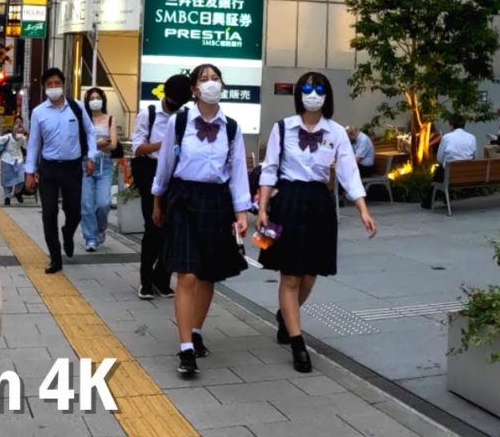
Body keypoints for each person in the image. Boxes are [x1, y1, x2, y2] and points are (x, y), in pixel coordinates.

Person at [256, 72, 377, 373]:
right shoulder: (283, 128)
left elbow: (349, 170)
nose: (313, 93)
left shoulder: (335, 132)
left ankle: (285, 317)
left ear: (327, 94)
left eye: (318, 88)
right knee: (290, 276)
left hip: (319, 204)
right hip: (289, 201)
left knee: (310, 275)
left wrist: (363, 208)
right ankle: (298, 344)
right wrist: (261, 207)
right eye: (307, 89)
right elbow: (270, 168)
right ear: (299, 93)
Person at [151, 64, 250, 377]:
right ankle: (185, 349)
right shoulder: (180, 122)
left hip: (217, 201)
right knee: (188, 275)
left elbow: (237, 172)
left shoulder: (232, 128)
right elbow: (165, 163)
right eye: (204, 80)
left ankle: (195, 330)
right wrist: (157, 199)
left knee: (208, 275)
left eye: (215, 79)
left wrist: (241, 213)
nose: (210, 84)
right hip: (183, 199)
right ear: (194, 89)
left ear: (222, 85)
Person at [24, 68, 97, 274]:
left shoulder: (77, 107)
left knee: (74, 211)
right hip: (49, 170)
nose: (54, 87)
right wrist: (30, 172)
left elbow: (90, 132)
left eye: (57, 83)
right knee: (49, 213)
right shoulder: (38, 112)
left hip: (73, 169)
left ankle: (68, 232)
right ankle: (55, 258)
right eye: (49, 84)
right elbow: (33, 144)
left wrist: (91, 156)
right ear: (44, 88)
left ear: (63, 84)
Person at [131, 74, 192, 299]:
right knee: (153, 226)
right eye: (172, 101)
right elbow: (138, 148)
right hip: (150, 170)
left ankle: (162, 278)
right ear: (165, 95)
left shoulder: (185, 117)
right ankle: (146, 281)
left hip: (176, 174)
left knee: (173, 228)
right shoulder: (148, 114)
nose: (174, 106)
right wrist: (165, 144)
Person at [81, 87, 118, 252]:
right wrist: (99, 143)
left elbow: (113, 145)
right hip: (85, 165)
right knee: (87, 204)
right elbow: (81, 144)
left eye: (98, 97)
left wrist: (100, 144)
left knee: (104, 203)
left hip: (105, 165)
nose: (95, 100)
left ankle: (100, 229)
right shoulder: (84, 119)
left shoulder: (110, 119)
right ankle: (90, 237)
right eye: (92, 98)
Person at [421, 115, 477, 209]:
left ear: (451, 125)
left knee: (438, 174)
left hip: (450, 174)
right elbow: (475, 157)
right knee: (440, 173)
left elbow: (439, 158)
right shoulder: (472, 137)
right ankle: (445, 199)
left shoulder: (447, 137)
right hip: (467, 174)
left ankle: (429, 202)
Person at [0, 120, 28, 205]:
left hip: (18, 158)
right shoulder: (8, 137)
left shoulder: (23, 138)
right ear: (14, 131)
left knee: (21, 177)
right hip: (7, 159)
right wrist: (1, 131)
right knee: (7, 179)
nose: (20, 134)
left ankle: (17, 192)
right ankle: (7, 196)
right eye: (18, 132)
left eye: (22, 132)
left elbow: (25, 146)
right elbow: (0, 140)